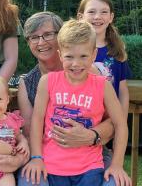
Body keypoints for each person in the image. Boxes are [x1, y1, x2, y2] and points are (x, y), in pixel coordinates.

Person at [22, 19, 130, 186]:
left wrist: (116, 164)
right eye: (69, 57)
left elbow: (121, 124)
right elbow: (37, 120)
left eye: (83, 56)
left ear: (94, 55)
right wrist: (37, 157)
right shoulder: (47, 81)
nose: (76, 63)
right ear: (60, 55)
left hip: (89, 167)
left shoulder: (103, 85)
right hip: (51, 165)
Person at [77, 0, 130, 119]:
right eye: (91, 11)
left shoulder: (117, 49)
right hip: (81, 119)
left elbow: (123, 91)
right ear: (80, 17)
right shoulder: (73, 49)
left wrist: (121, 122)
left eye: (104, 12)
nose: (97, 17)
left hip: (110, 120)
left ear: (111, 17)